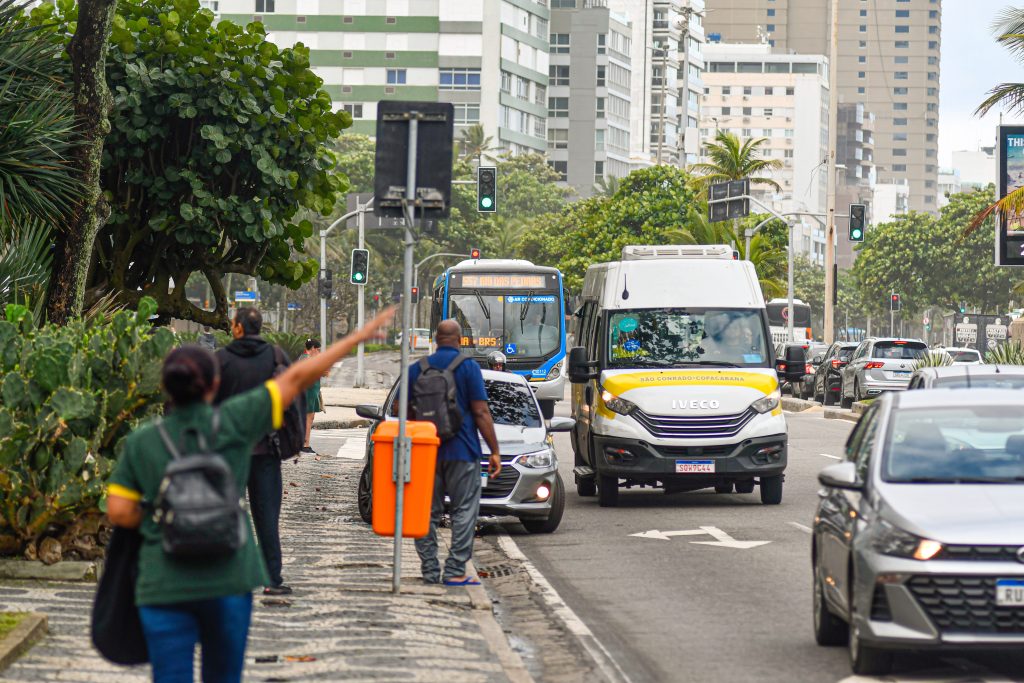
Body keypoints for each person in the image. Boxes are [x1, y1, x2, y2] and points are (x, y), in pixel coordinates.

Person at [105, 308, 396, 683]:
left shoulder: (143, 442)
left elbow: (119, 511)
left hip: (164, 581)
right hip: (229, 576)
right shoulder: (234, 421)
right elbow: (298, 377)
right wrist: (358, 337)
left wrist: (165, 517)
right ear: (210, 387)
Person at [409, 319, 501, 586]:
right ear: (461, 340)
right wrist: (494, 450)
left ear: (436, 339)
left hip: (426, 453)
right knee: (463, 511)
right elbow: (481, 412)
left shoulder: (418, 369)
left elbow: (398, 412)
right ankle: (455, 571)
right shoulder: (468, 368)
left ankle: (429, 570)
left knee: (426, 513)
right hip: (463, 451)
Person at [212, 308, 292, 595]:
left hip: (229, 452)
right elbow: (292, 399)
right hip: (266, 451)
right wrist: (289, 441)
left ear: (237, 328)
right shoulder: (275, 357)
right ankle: (272, 579)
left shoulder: (220, 360)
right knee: (267, 518)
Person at [298, 339, 325, 454]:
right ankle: (305, 444)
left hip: (311, 391)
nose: (319, 352)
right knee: (308, 418)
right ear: (313, 348)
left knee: (310, 417)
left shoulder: (306, 358)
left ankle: (304, 443)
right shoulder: (306, 359)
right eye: (318, 350)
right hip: (307, 392)